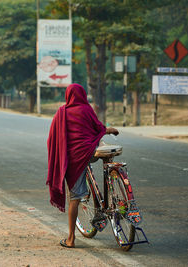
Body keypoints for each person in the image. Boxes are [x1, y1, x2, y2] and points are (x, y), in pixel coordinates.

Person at [46, 83, 118, 248]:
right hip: (91, 153)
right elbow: (98, 128)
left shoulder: (61, 113)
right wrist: (110, 130)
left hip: (74, 160)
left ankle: (71, 239)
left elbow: (52, 139)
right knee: (103, 150)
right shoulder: (87, 109)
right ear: (83, 95)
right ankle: (109, 193)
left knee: (75, 198)